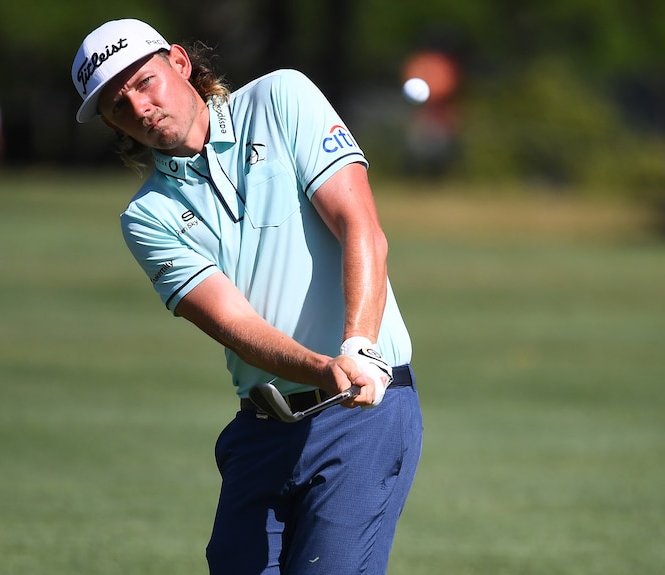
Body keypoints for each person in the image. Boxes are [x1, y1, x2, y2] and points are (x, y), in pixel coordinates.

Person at [71, 18, 423, 575]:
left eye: (144, 83)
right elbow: (233, 324)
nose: (138, 108)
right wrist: (321, 366)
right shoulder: (148, 215)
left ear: (180, 64)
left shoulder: (281, 97)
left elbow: (360, 226)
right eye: (117, 105)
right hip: (263, 430)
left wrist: (357, 347)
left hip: (362, 410)